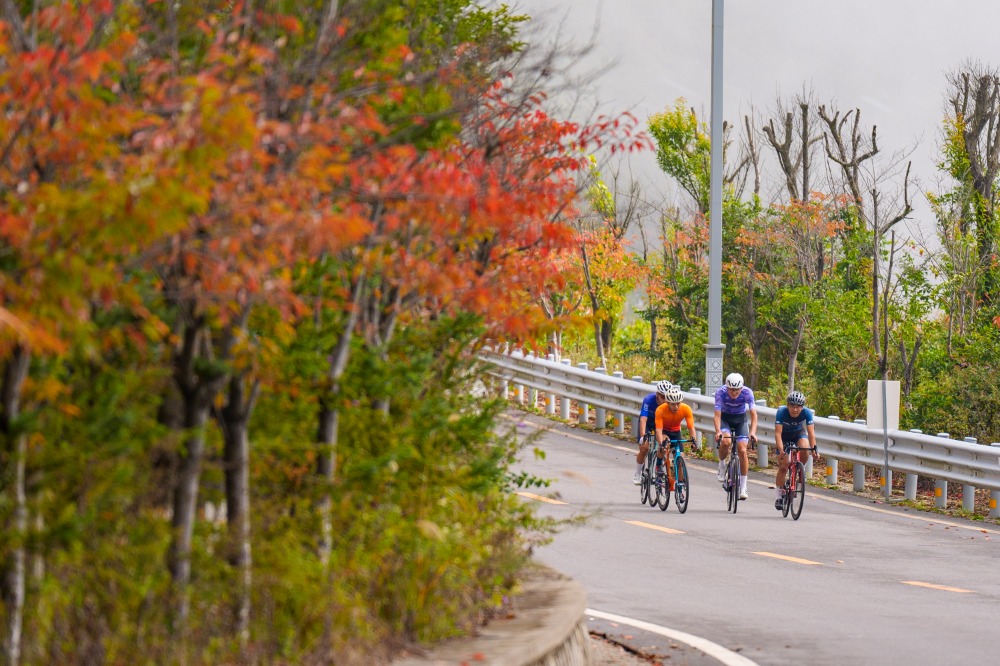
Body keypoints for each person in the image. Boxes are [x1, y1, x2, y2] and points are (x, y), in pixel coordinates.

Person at [713, 372, 758, 500]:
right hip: (725, 419)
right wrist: (718, 431)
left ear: (741, 388)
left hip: (740, 420)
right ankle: (721, 465)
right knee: (726, 442)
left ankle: (743, 487)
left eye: (736, 390)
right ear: (726, 387)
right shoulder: (720, 392)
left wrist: (753, 432)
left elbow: (754, 415)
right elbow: (717, 415)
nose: (733, 393)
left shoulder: (747, 392)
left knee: (742, 450)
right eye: (731, 390)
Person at [774, 390, 820, 510]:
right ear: (788, 405)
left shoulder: (807, 413)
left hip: (798, 433)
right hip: (784, 436)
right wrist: (781, 450)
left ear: (802, 407)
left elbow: (811, 433)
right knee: (784, 466)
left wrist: (814, 448)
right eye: (792, 406)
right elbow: (778, 434)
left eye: (798, 407)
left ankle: (801, 468)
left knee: (805, 446)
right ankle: (779, 496)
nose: (795, 410)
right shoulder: (781, 412)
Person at [653, 387, 698, 491]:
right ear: (667, 402)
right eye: (673, 404)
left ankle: (680, 484)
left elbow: (691, 427)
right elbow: (659, 430)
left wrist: (694, 441)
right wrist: (661, 444)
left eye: (678, 403)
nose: (676, 406)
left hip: (676, 432)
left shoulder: (686, 409)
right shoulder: (660, 410)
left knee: (680, 457)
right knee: (664, 446)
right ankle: (658, 466)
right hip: (664, 431)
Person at [633, 380, 673, 484]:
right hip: (648, 423)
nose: (665, 400)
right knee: (644, 448)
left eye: (667, 397)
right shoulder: (648, 400)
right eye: (663, 397)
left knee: (664, 444)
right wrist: (643, 437)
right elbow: (643, 419)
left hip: (659, 425)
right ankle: (637, 473)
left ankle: (658, 467)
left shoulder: (670, 403)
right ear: (657, 395)